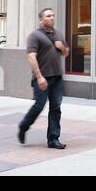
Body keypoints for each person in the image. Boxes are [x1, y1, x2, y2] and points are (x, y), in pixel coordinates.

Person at [18, 8, 69, 149]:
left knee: (56, 108)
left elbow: (66, 53)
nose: (52, 18)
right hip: (42, 78)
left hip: (57, 77)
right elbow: (31, 57)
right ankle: (24, 126)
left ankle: (53, 139)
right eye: (48, 16)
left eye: (53, 15)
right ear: (41, 19)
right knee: (39, 106)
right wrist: (39, 77)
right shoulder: (35, 36)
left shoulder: (58, 34)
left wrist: (62, 48)